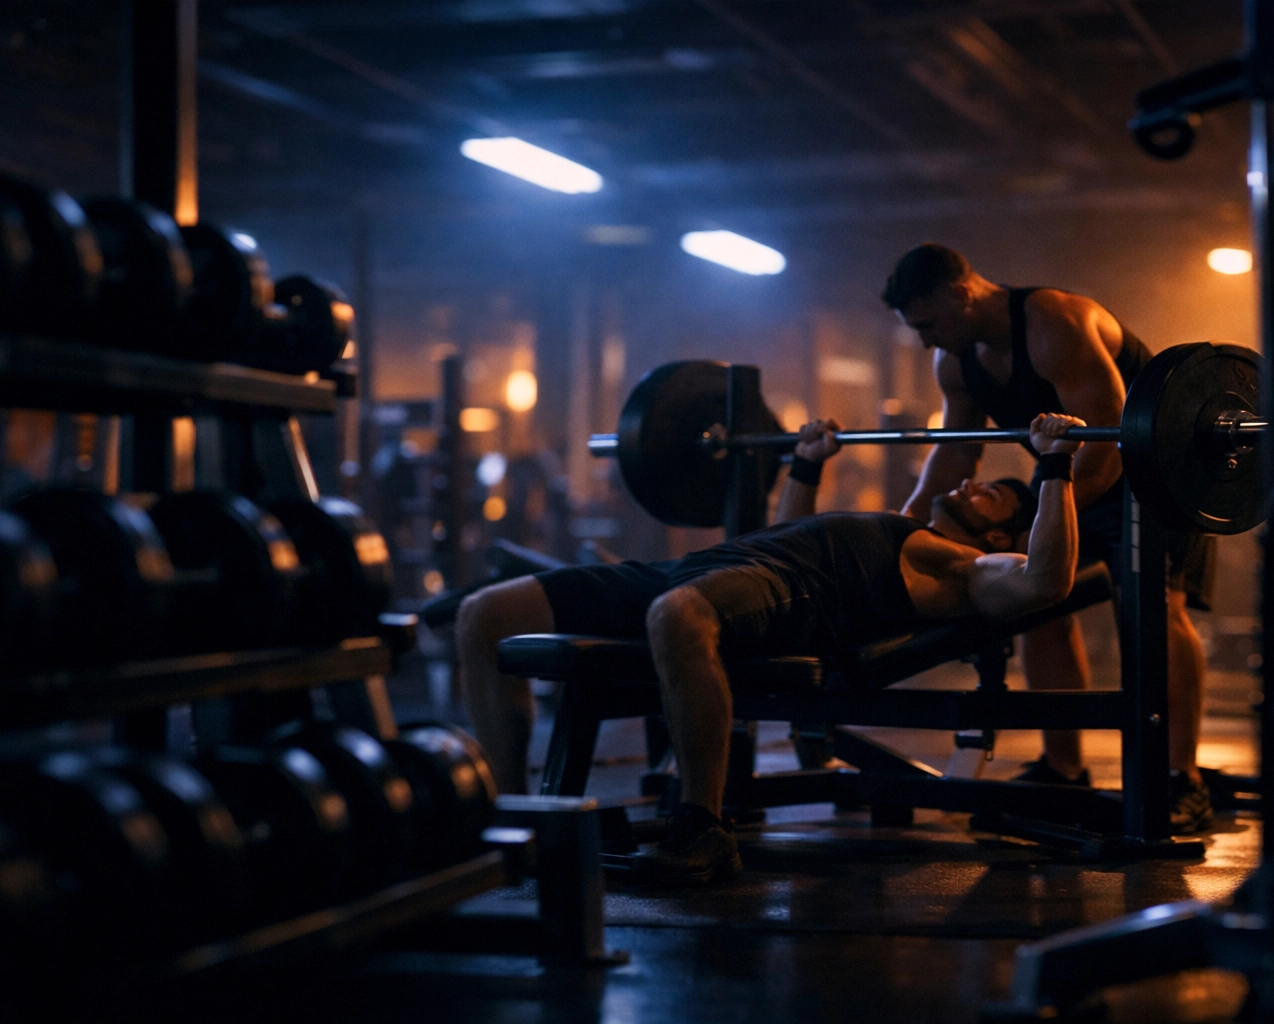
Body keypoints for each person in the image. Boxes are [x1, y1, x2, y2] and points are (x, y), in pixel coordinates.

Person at [456, 412, 1085, 884]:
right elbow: (782, 532)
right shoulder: (900, 524)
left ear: (1002, 531)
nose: (969, 487)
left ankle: (703, 827)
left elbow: (1044, 582)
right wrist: (808, 464)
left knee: (679, 615)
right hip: (716, 563)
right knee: (483, 613)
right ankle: (511, 818)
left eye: (988, 494)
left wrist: (1055, 465)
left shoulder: (958, 567)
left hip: (793, 593)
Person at [881, 242, 1215, 833]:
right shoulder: (955, 362)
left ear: (960, 293)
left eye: (928, 324)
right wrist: (900, 529)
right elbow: (954, 454)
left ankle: (1180, 779)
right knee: (1035, 599)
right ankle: (1064, 768)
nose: (925, 342)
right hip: (1068, 476)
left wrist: (1045, 514)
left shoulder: (1054, 323)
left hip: (1153, 473)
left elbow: (1109, 448)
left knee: (1154, 608)